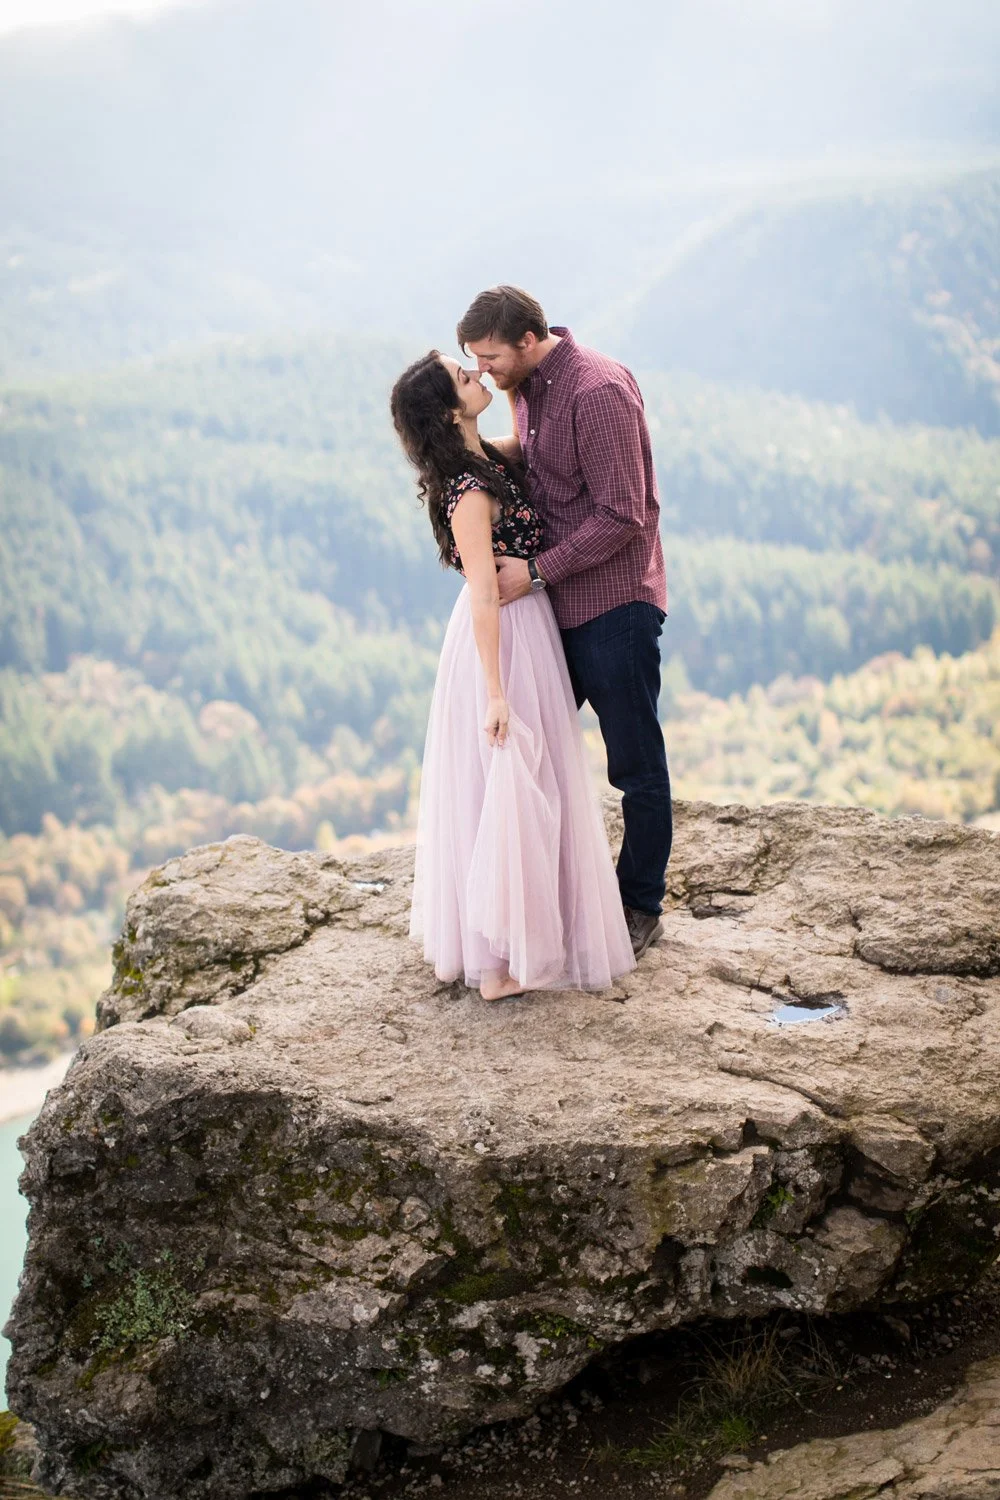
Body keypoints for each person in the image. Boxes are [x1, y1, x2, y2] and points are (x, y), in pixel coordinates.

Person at [390, 351, 635, 1001]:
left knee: (532, 782)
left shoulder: (486, 461)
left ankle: (520, 942)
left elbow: (537, 446)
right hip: (500, 642)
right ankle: (497, 964)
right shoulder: (469, 493)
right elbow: (482, 595)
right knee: (509, 785)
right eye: (464, 378)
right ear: (449, 409)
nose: (479, 377)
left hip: (531, 629)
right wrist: (495, 692)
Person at [457, 286, 671, 958]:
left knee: (634, 766)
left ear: (527, 338)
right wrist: (462, 450)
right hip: (554, 609)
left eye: (490, 357)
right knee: (532, 754)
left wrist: (536, 571)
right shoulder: (527, 388)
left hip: (612, 605)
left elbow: (623, 513)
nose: (485, 371)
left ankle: (638, 905)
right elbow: (541, 465)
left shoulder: (596, 390)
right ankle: (549, 905)